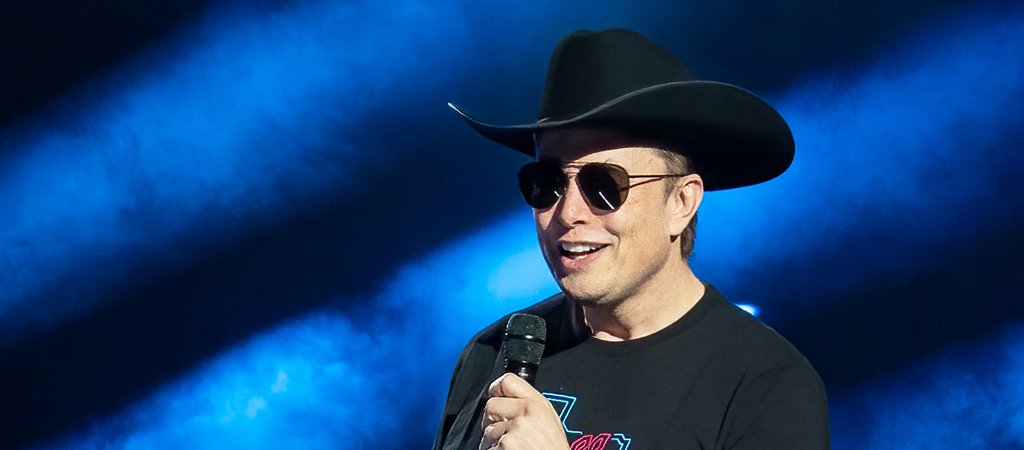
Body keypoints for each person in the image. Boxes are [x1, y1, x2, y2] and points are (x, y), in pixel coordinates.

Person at [434, 28, 829, 450]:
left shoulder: (763, 383)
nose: (568, 212)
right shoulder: (493, 352)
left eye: (604, 185)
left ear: (681, 201)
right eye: (546, 182)